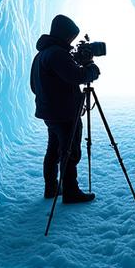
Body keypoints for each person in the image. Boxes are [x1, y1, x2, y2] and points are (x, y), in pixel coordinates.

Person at [30, 14, 100, 203]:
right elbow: (77, 76)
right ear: (63, 34)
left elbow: (33, 86)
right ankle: (71, 191)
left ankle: (51, 188)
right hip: (65, 113)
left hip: (50, 113)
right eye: (70, 36)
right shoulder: (57, 54)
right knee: (70, 151)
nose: (72, 41)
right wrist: (91, 68)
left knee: (54, 150)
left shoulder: (42, 54)